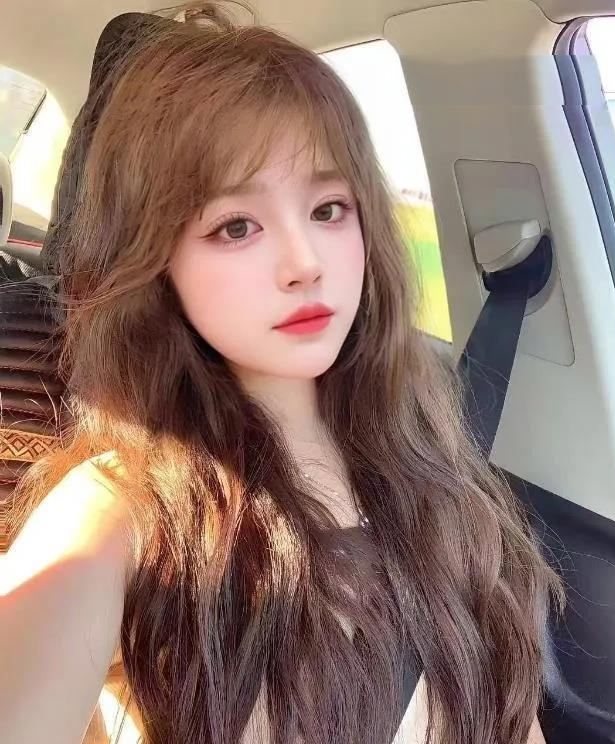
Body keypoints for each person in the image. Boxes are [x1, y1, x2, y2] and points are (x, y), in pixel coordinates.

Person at [2, 4, 562, 743]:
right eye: (236, 226)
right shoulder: (114, 516)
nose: (305, 263)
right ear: (156, 263)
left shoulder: (435, 467)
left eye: (329, 209)